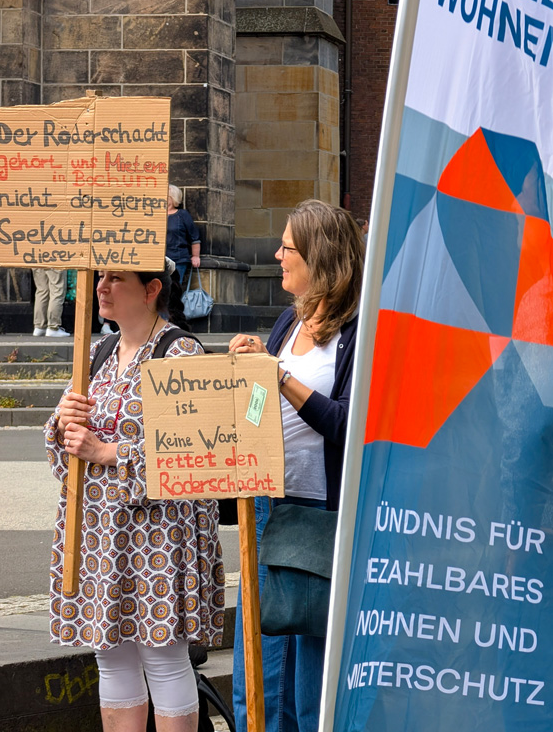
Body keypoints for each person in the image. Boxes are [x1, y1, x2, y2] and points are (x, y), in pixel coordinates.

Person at [44, 259, 224, 732]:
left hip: (158, 532)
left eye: (115, 278)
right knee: (111, 655)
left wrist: (107, 452)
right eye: (100, 277)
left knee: (163, 656)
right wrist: (63, 423)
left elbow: (196, 449)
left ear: (151, 289)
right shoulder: (99, 350)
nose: (101, 287)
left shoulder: (179, 353)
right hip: (102, 529)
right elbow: (64, 447)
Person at [229, 199, 365, 732]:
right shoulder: (289, 321)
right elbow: (263, 408)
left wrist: (279, 376)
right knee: (257, 676)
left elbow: (348, 425)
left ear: (319, 256)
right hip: (270, 506)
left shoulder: (357, 330)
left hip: (317, 518)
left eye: (288, 247)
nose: (278, 255)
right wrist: (249, 375)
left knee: (310, 686)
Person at [166, 185, 201, 282]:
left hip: (177, 259)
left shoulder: (182, 215)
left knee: (174, 286)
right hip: (158, 259)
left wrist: (195, 256)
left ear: (173, 198)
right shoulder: (155, 214)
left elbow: (194, 237)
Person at [32, 267, 70, 337]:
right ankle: (53, 327)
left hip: (37, 261)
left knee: (42, 291)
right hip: (55, 262)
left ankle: (39, 326)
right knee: (57, 290)